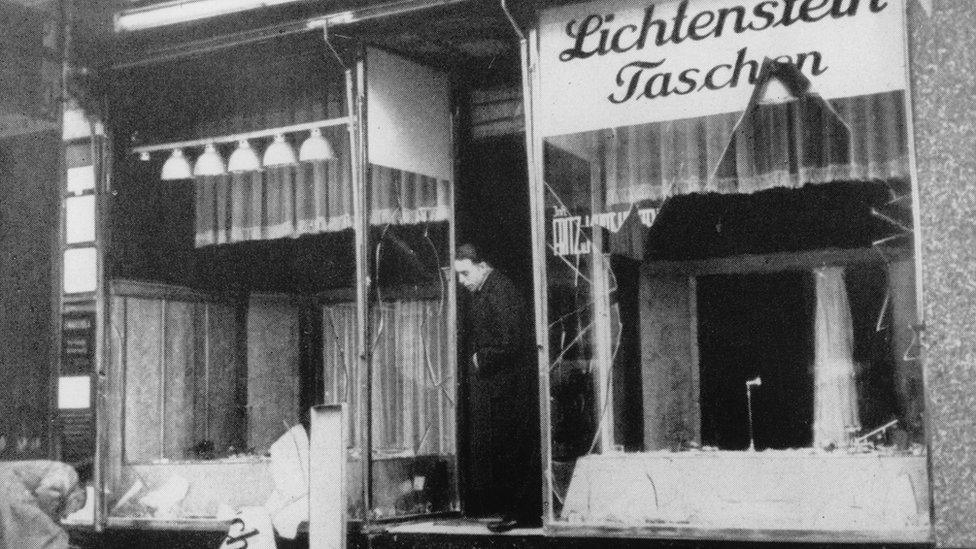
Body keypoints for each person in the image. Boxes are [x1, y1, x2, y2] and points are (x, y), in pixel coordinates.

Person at [455, 243, 539, 533]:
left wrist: (481, 358)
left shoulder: (499, 290)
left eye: (465, 274)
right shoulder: (488, 290)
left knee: (513, 447)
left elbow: (510, 341)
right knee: (505, 448)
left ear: (482, 265)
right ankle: (515, 511)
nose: (462, 282)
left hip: (511, 387)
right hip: (502, 386)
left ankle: (520, 512)